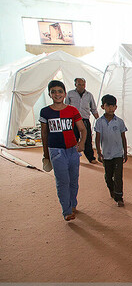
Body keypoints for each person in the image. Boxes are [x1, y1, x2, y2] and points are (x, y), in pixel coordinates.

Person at [40, 80, 87, 221]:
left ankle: (73, 205)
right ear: (49, 94)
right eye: (53, 91)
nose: (57, 94)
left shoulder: (72, 110)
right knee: (62, 182)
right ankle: (66, 211)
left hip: (72, 151)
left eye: (60, 91)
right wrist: (46, 154)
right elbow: (44, 134)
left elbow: (82, 129)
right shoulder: (45, 112)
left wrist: (82, 143)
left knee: (74, 180)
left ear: (65, 93)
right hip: (56, 151)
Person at [94, 94, 128, 207]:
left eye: (113, 106)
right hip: (106, 155)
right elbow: (97, 138)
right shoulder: (99, 122)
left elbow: (123, 137)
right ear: (103, 107)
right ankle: (112, 189)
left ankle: (119, 197)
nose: (111, 108)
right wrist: (99, 152)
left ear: (116, 107)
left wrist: (125, 153)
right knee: (108, 177)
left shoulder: (119, 122)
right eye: (108, 105)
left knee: (118, 176)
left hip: (118, 153)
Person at [65, 77, 99, 163]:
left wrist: (98, 120)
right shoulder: (70, 94)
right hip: (73, 120)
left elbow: (93, 109)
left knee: (87, 139)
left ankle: (91, 158)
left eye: (83, 84)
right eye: (79, 84)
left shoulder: (89, 95)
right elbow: (66, 107)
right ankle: (73, 158)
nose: (81, 86)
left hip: (84, 120)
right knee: (73, 139)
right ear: (75, 85)